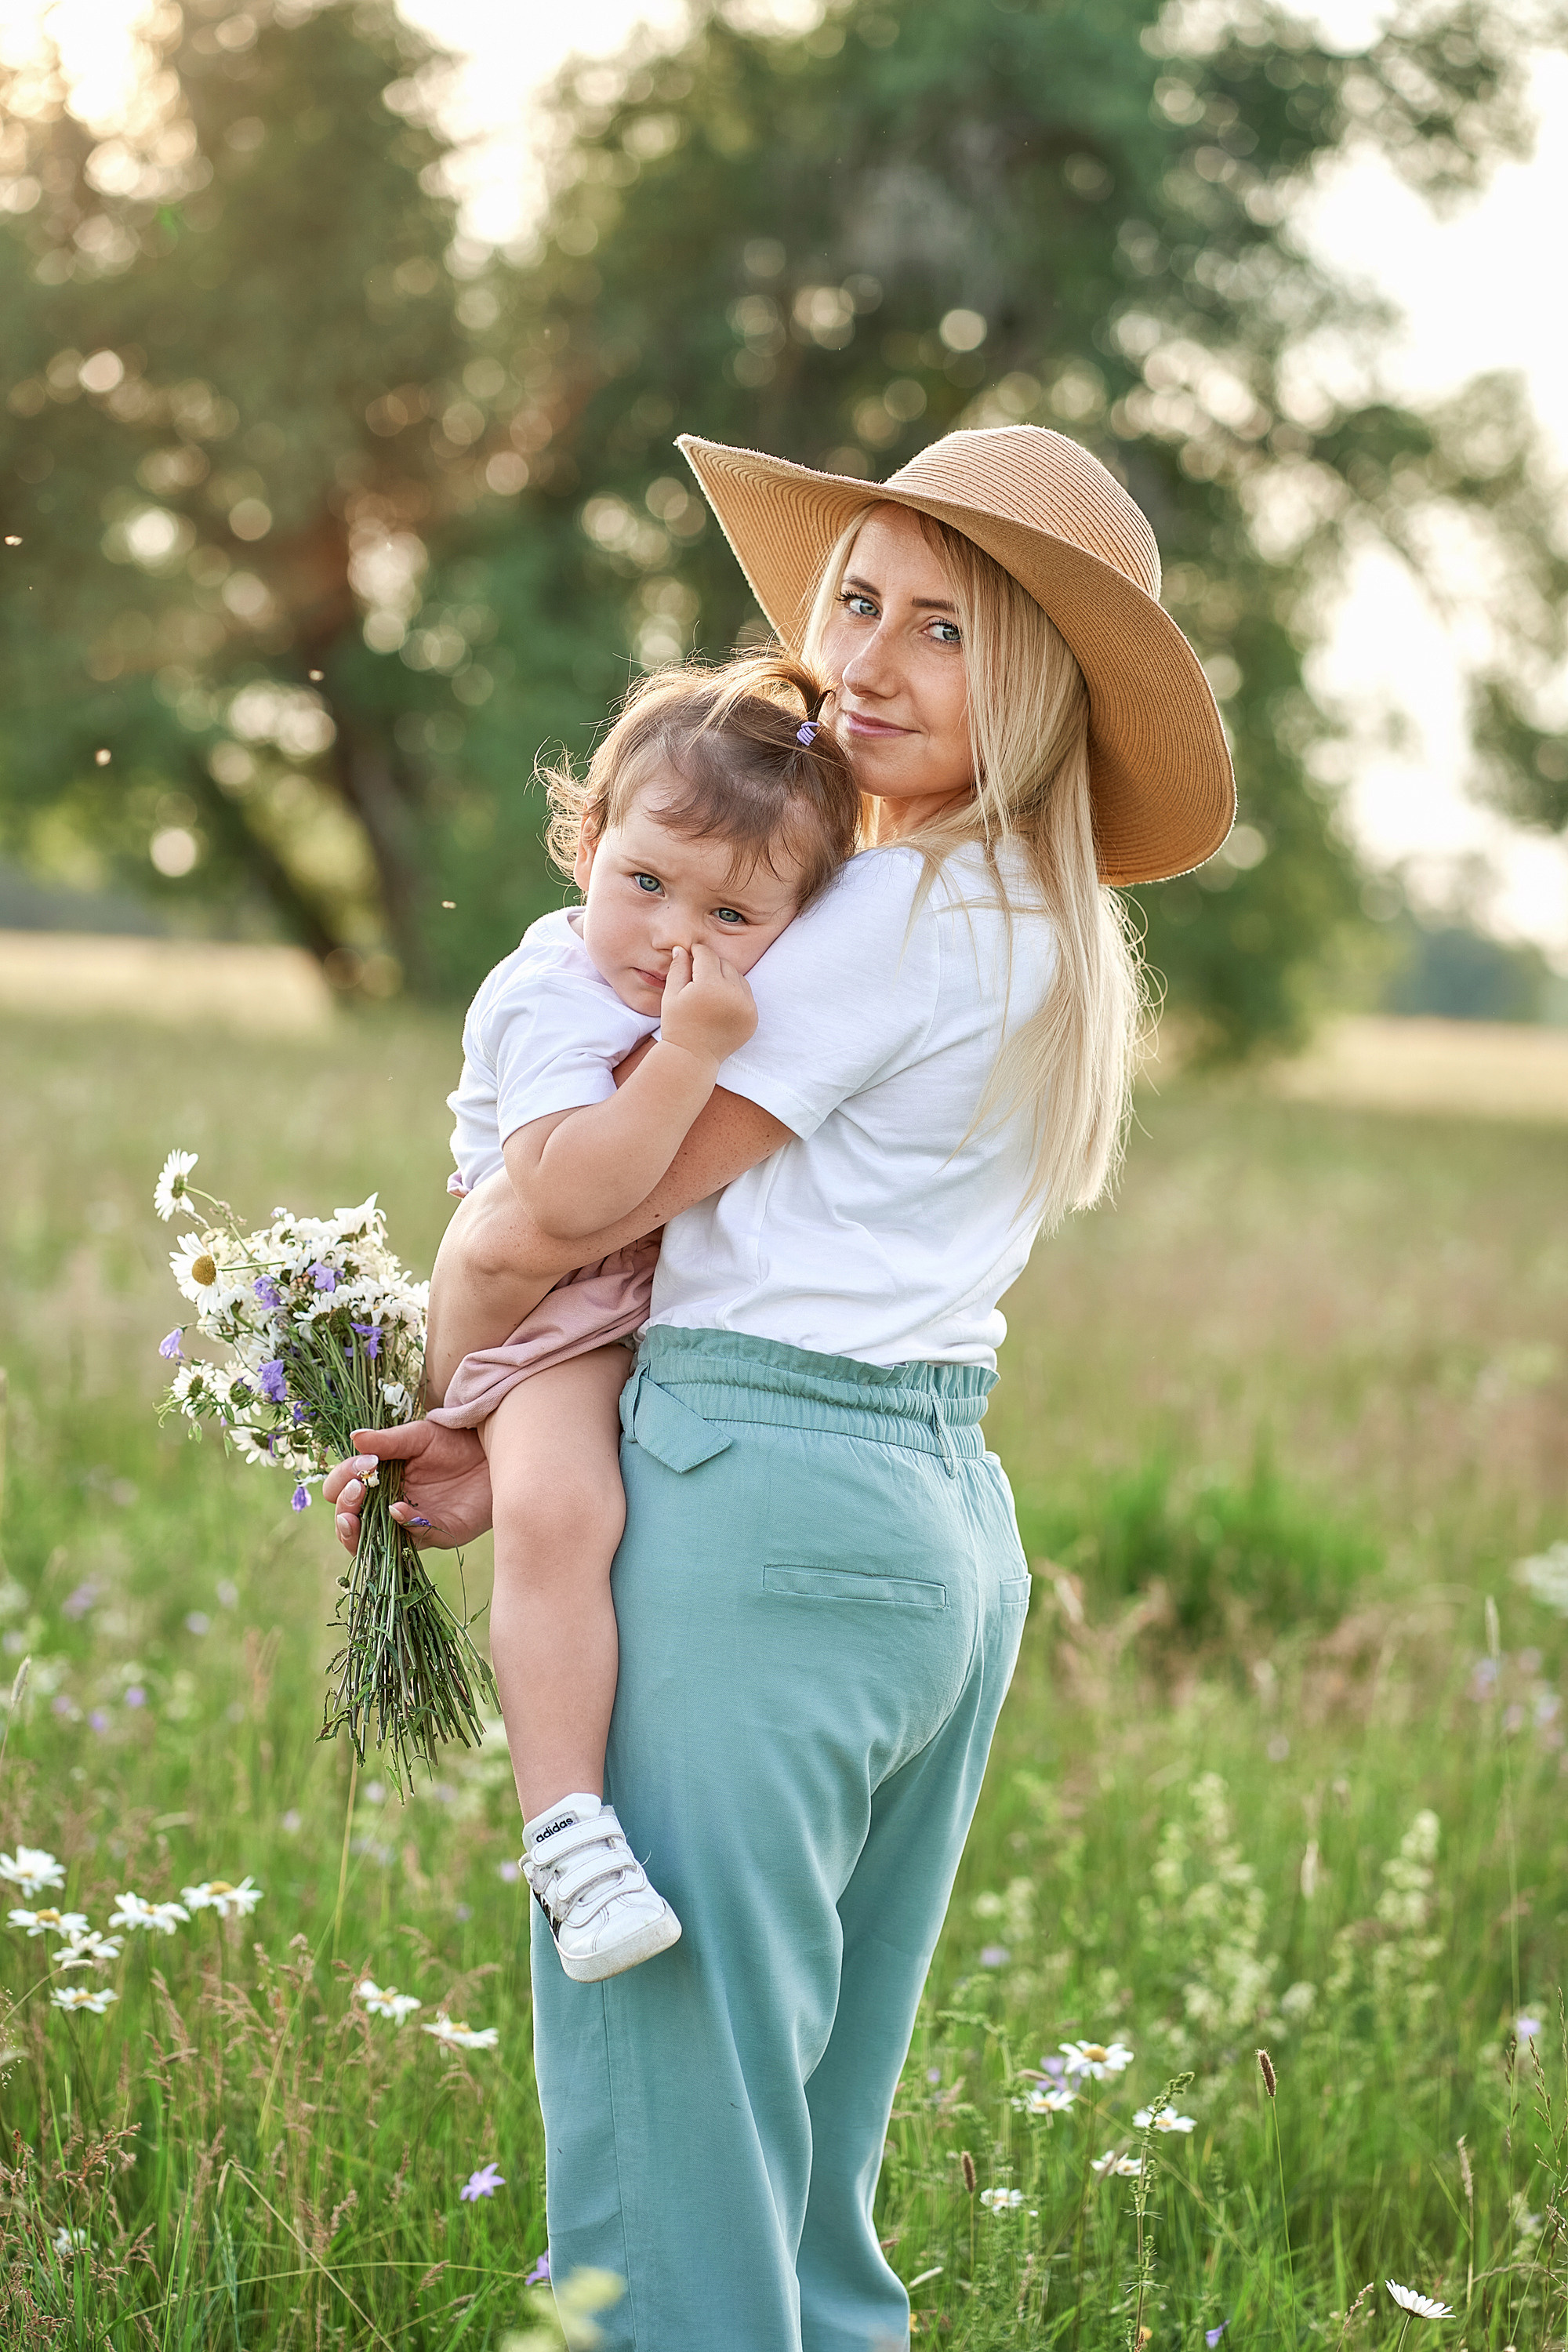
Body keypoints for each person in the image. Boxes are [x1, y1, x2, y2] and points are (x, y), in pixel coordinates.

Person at [327, 423, 1233, 2351]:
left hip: (757, 1501)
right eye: (858, 601)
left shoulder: (889, 917)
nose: (869, 664)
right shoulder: (1031, 919)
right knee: (801, 2191)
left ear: (1044, 688)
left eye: (947, 630)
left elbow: (577, 1209)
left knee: (679, 2174)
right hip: (931, 1522)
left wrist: (467, 1373)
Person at [428, 655, 859, 1982]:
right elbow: (568, 1199)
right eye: (646, 883)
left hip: (653, 1315)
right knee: (562, 1516)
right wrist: (689, 1053)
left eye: (731, 913)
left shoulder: (720, 986)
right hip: (555, 1319)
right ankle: (569, 1839)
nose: (675, 936)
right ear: (586, 849)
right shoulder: (552, 991)